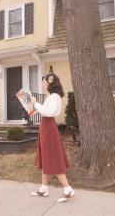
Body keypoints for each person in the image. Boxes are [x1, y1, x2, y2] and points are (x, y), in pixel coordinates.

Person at [31, 73, 75, 203]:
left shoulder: (55, 97)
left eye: (44, 82)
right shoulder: (51, 96)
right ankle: (44, 188)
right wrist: (31, 109)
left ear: (51, 82)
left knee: (52, 158)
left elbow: (49, 113)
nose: (43, 84)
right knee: (46, 158)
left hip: (49, 129)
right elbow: (44, 110)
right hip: (46, 128)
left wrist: (35, 103)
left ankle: (68, 189)